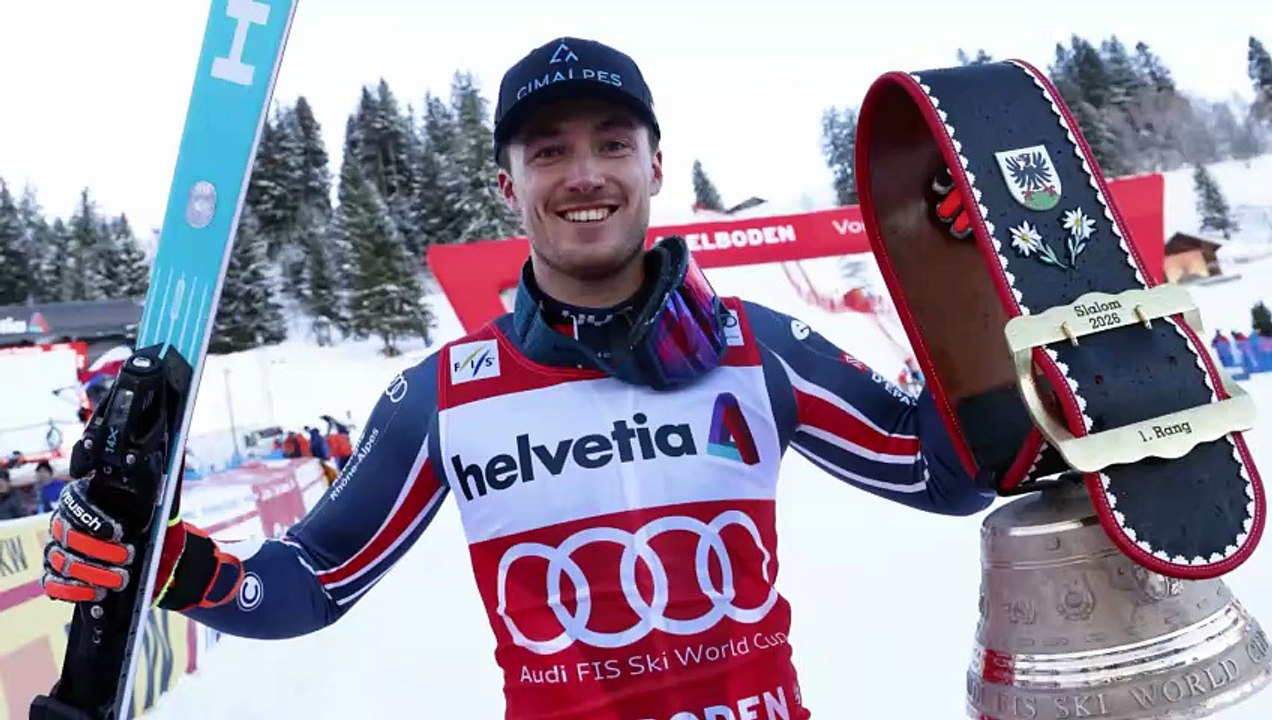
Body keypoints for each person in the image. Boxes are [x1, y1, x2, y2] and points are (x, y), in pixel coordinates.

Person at [38, 37, 996, 719]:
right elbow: (317, 579)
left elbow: (937, 471)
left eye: (612, 144)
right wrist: (172, 567)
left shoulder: (756, 347)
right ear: (508, 185)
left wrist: (970, 289)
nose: (585, 173)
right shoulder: (444, 395)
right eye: (549, 151)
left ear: (656, 166)